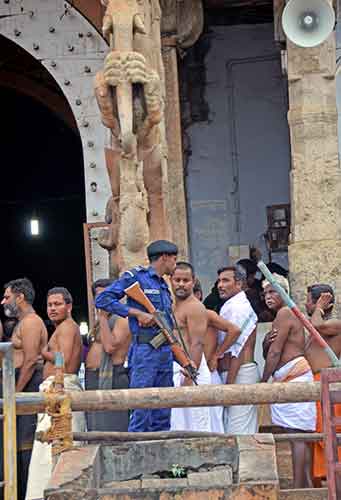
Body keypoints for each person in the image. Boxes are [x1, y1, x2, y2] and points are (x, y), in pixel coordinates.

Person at [95, 239, 178, 432]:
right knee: (141, 407)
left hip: (164, 351)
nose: (175, 263)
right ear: (164, 257)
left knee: (164, 409)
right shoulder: (136, 277)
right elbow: (103, 299)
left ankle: (160, 453)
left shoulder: (164, 285)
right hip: (145, 351)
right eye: (174, 259)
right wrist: (135, 313)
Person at [25, 287, 86, 500]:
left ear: (68, 306)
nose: (52, 309)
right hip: (54, 392)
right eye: (50, 305)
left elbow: (64, 360)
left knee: (57, 450)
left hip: (61, 391)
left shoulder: (68, 327)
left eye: (57, 304)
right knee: (47, 452)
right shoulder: (61, 328)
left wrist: (43, 352)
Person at [262, 275, 316, 488]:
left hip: (294, 378)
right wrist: (266, 343)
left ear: (284, 292)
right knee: (298, 437)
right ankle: (306, 486)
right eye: (265, 292)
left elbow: (275, 353)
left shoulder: (285, 313)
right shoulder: (286, 314)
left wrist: (263, 380)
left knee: (297, 437)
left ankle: (298, 488)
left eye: (273, 291)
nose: (268, 296)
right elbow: (272, 348)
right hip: (293, 377)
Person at [1, 278, 47, 500]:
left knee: (26, 444)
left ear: (20, 297)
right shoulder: (22, 322)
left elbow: (29, 361)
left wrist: (14, 394)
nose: (3, 302)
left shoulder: (31, 322)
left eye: (7, 297)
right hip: (18, 382)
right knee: (16, 444)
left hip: (26, 383)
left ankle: (30, 493)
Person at [304, 284, 341, 486]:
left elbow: (317, 326)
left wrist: (318, 308)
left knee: (328, 436)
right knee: (316, 436)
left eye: (310, 300)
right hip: (312, 385)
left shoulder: (334, 324)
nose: (306, 304)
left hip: (325, 384)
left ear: (323, 302)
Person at [215, 266, 259, 434]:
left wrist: (229, 385)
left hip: (239, 373)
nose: (220, 285)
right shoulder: (231, 305)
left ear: (239, 284)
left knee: (239, 433)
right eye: (219, 281)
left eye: (225, 280)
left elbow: (238, 351)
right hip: (234, 374)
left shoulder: (239, 307)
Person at [85, 278, 131, 431]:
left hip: (113, 377)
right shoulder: (99, 322)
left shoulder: (121, 319)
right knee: (95, 424)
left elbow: (110, 347)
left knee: (112, 426)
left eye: (107, 296)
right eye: (99, 297)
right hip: (94, 377)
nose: (103, 301)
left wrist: (103, 317)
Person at [170, 262, 210, 431]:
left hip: (193, 371)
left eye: (185, 280)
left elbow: (197, 343)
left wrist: (189, 376)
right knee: (179, 426)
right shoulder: (173, 306)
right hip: (178, 369)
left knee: (197, 426)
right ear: (170, 280)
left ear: (193, 282)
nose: (181, 284)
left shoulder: (195, 307)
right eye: (177, 279)